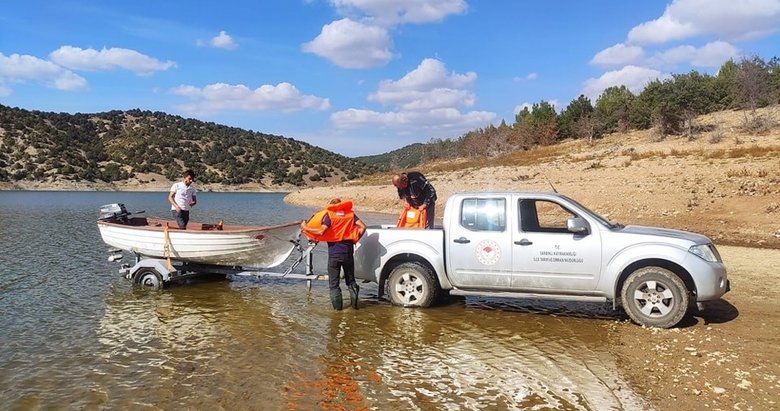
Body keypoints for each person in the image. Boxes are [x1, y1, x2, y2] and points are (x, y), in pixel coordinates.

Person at [300, 198, 366, 310]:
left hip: (334, 254)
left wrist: (305, 227)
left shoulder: (330, 216)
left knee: (334, 285)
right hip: (348, 253)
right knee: (351, 281)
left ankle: (338, 312)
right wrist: (355, 239)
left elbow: (321, 231)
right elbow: (363, 227)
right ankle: (355, 307)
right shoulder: (350, 215)